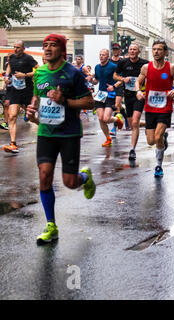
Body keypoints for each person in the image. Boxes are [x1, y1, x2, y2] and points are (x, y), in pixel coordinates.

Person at [26, 34, 96, 244]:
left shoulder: (73, 73)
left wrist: (64, 100)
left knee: (69, 182)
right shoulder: (39, 73)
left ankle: (85, 178)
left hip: (69, 134)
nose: (47, 49)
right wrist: (32, 110)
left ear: (62, 50)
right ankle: (51, 226)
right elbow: (37, 98)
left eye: (52, 45)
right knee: (45, 175)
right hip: (46, 133)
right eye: (45, 45)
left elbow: (89, 102)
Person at [135, 40, 174, 177]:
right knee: (151, 141)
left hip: (165, 107)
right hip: (150, 107)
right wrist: (138, 91)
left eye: (159, 49)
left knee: (157, 137)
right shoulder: (146, 67)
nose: (156, 52)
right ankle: (163, 138)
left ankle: (158, 166)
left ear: (165, 52)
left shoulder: (171, 68)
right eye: (154, 49)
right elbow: (138, 82)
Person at [113, 44, 149, 161]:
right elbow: (115, 75)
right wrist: (123, 79)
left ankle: (132, 149)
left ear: (139, 51)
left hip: (140, 95)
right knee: (133, 124)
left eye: (134, 49)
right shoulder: (123, 62)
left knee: (134, 122)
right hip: (128, 95)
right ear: (128, 51)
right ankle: (149, 124)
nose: (132, 51)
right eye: (130, 50)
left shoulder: (145, 64)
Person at [3, 40, 39, 153]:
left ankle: (45, 128)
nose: (15, 49)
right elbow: (9, 66)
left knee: (31, 117)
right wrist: (7, 76)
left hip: (28, 91)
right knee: (12, 116)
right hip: (15, 91)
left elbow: (39, 70)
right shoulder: (12, 57)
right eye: (14, 47)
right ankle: (13, 144)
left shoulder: (28, 58)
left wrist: (25, 75)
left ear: (23, 48)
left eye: (18, 47)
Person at [88, 49, 124, 147]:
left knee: (106, 118)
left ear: (108, 57)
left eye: (103, 55)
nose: (101, 56)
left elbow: (121, 79)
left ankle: (117, 120)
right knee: (100, 118)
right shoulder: (97, 67)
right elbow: (96, 81)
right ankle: (108, 138)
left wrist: (114, 86)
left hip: (110, 95)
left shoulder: (113, 67)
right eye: (100, 55)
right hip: (100, 95)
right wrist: (91, 81)